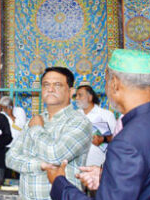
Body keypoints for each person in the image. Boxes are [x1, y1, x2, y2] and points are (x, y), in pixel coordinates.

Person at [46, 50, 150, 200]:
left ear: (115, 84)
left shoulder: (126, 141)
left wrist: (59, 183)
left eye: (107, 81)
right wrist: (106, 176)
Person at [6, 67, 92, 200]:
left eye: (57, 85)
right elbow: (11, 158)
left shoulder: (79, 122)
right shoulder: (34, 120)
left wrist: (36, 130)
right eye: (46, 85)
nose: (50, 89)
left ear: (71, 92)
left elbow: (55, 155)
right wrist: (40, 165)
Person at [74, 84, 116, 167]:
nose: (77, 98)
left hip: (98, 165)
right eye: (76, 95)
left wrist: (103, 139)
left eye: (80, 95)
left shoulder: (106, 115)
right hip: (76, 167)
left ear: (90, 97)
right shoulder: (74, 116)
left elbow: (117, 137)